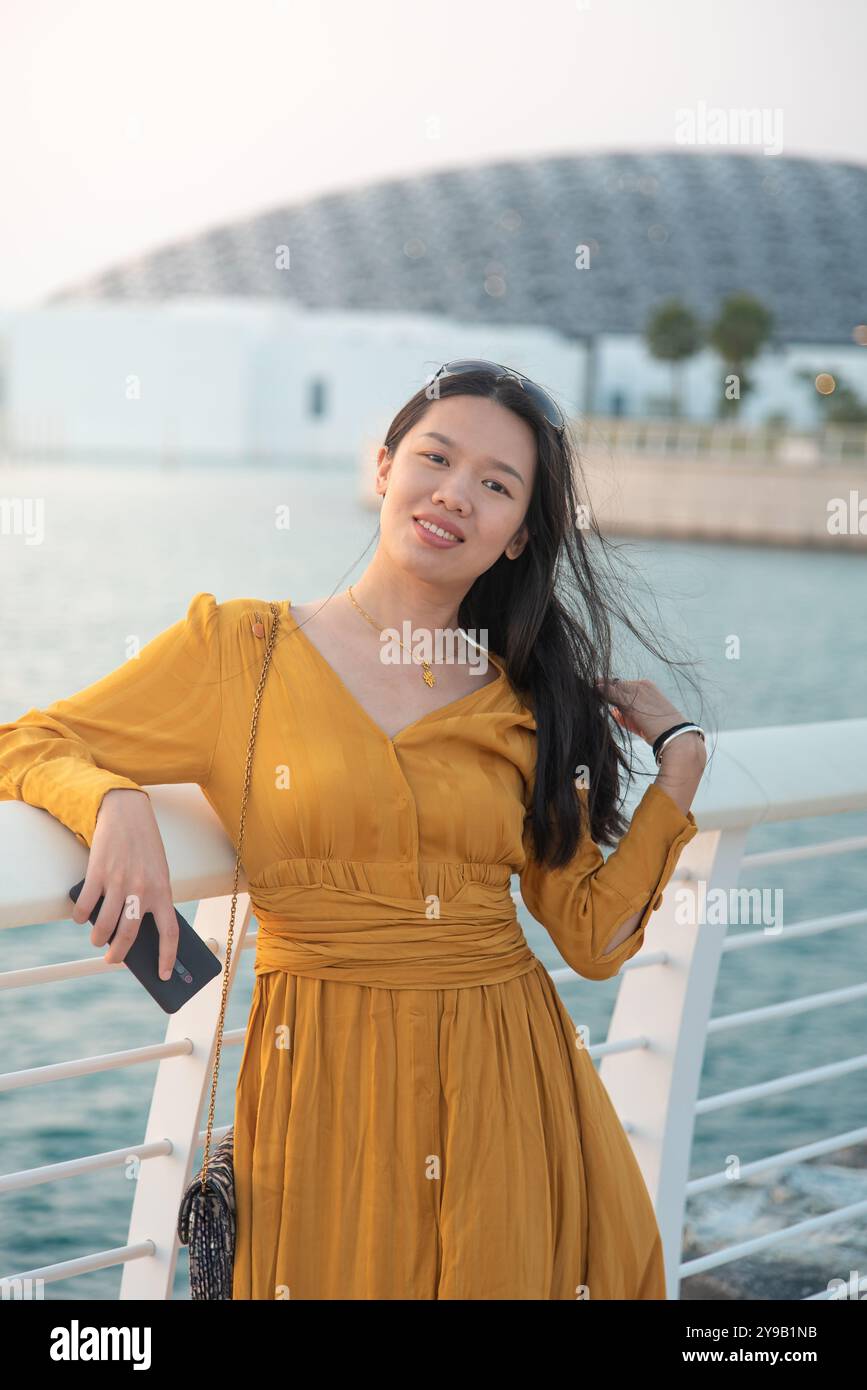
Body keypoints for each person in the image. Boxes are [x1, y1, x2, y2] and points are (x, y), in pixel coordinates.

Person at [0, 360, 707, 1300]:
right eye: (436, 458)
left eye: (496, 485)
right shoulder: (240, 653)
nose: (456, 494)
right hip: (321, 1082)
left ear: (515, 537)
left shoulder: (533, 706)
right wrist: (112, 801)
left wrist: (679, 771)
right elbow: (30, 739)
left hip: (507, 1081)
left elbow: (593, 936)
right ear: (383, 469)